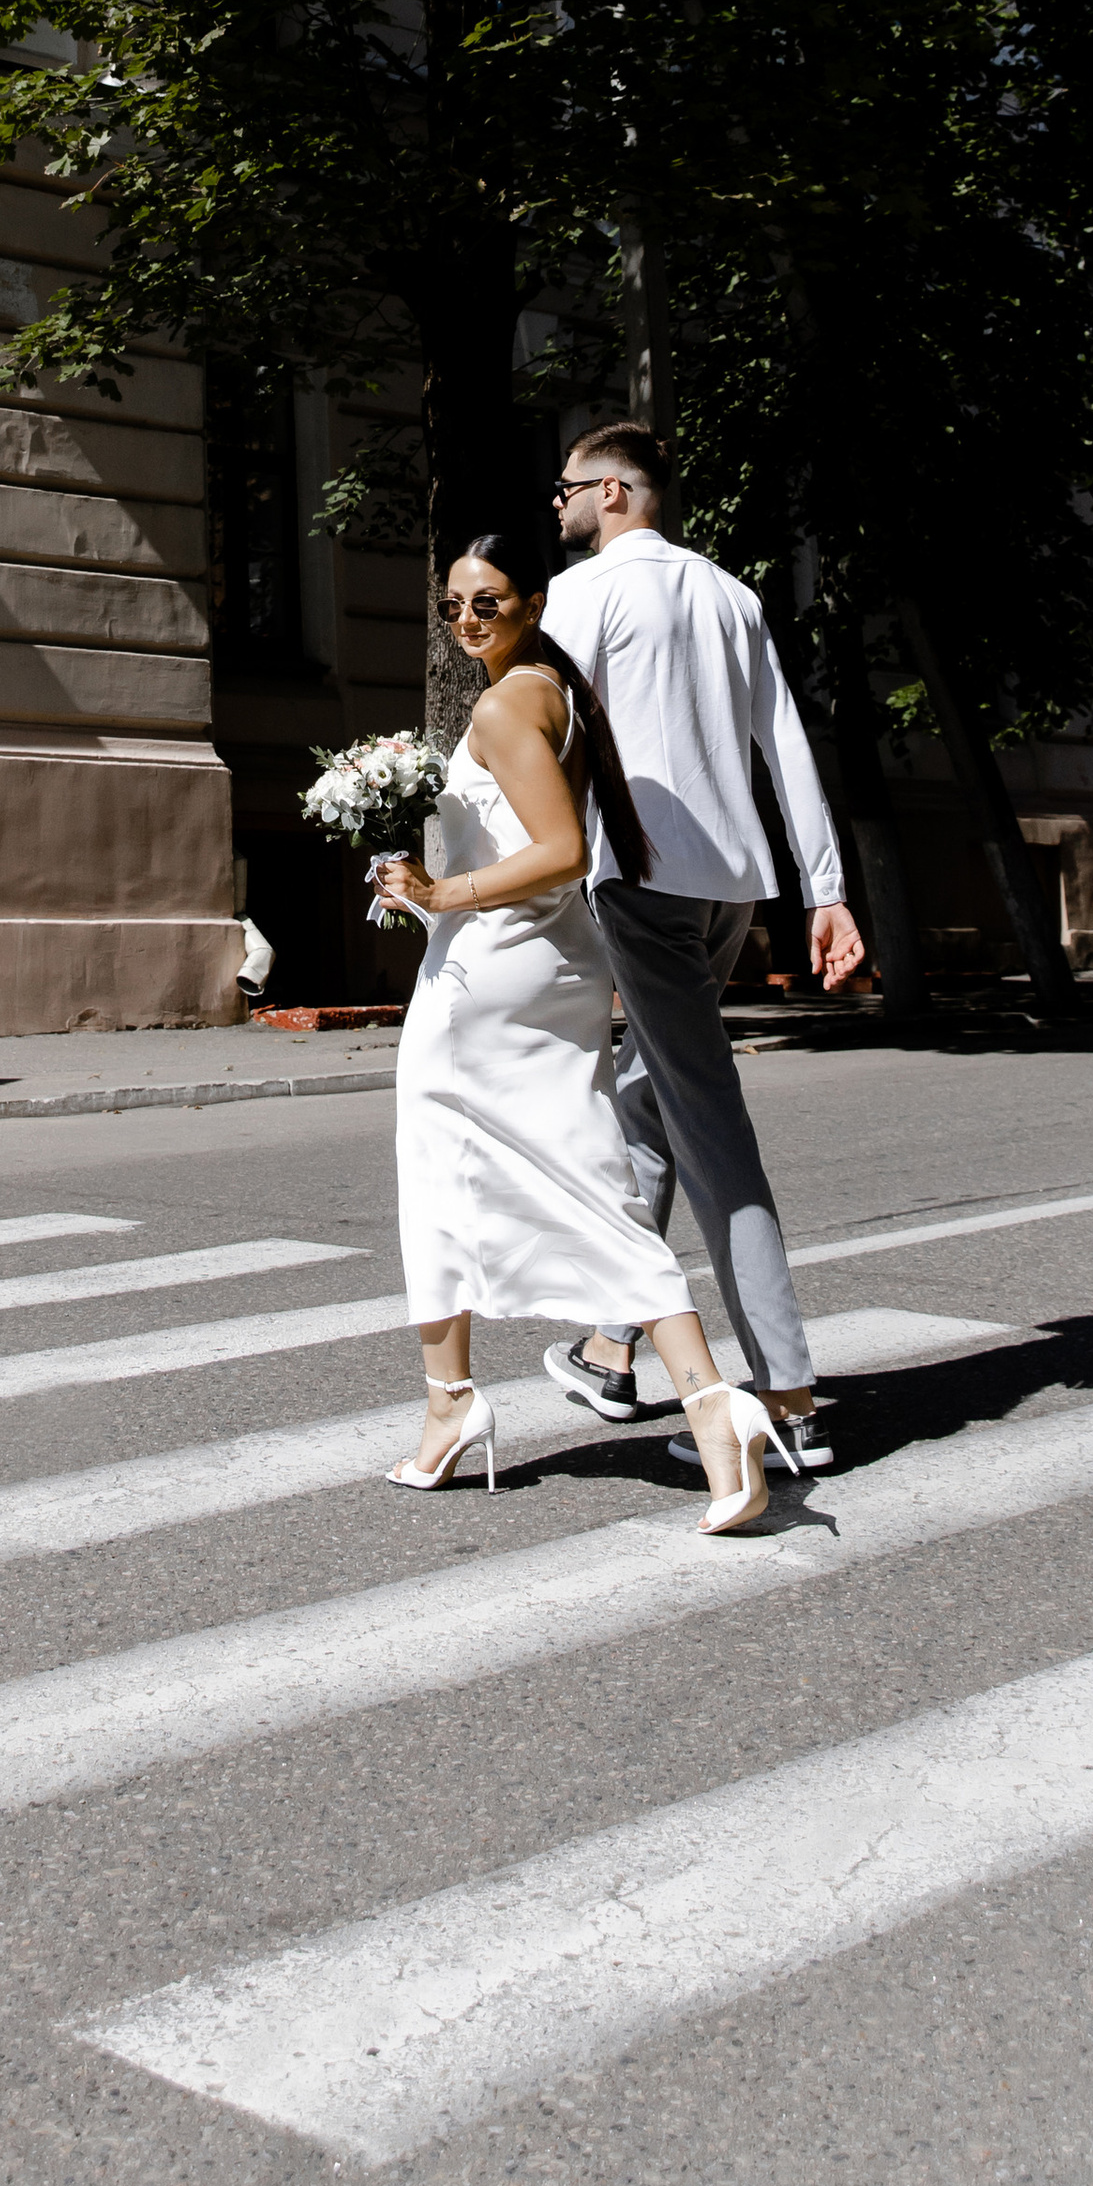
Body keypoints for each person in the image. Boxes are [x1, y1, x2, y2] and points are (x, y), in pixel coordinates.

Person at [371, 525, 796, 1533]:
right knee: (588, 1177)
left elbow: (557, 850)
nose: (469, 620)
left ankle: (450, 1403)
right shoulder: (558, 693)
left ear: (532, 604)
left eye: (490, 601)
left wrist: (444, 891)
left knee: (435, 1172)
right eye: (453, 606)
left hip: (487, 980)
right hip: (555, 966)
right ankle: (708, 1406)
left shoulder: (505, 703)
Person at [539, 419, 866, 1468]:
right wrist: (825, 889)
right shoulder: (732, 594)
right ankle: (608, 1340)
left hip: (640, 885)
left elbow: (544, 738)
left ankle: (789, 1398)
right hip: (730, 890)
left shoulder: (582, 594)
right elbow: (785, 743)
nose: (559, 503)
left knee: (709, 1126)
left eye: (570, 487)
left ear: (618, 494)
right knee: (653, 1097)